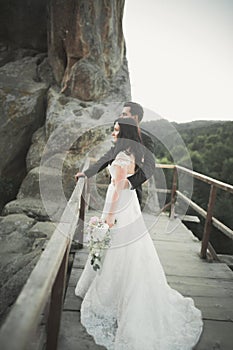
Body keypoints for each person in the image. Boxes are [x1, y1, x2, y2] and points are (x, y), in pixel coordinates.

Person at [75, 117, 203, 350]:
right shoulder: (130, 152)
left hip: (119, 205)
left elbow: (116, 189)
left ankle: (116, 297)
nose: (113, 133)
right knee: (126, 250)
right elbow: (114, 175)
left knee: (118, 248)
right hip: (128, 202)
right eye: (113, 129)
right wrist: (87, 174)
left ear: (125, 133)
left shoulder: (123, 157)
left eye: (116, 130)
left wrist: (109, 218)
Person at [75, 101, 155, 207]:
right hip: (114, 188)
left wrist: (128, 183)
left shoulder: (146, 139)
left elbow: (149, 166)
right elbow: (108, 156)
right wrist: (87, 173)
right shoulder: (121, 135)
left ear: (135, 117)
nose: (121, 116)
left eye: (124, 114)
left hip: (132, 191)